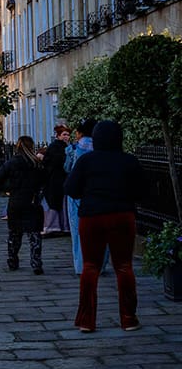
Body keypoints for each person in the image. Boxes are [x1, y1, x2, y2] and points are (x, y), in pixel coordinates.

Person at [65, 120, 149, 333]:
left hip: (92, 216)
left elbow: (71, 188)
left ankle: (87, 319)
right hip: (122, 214)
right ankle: (128, 318)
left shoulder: (87, 161)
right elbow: (142, 192)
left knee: (90, 267)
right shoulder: (129, 161)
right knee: (124, 266)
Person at [0, 136, 47, 274]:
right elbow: (44, 181)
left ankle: (12, 260)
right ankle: (36, 263)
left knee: (15, 233)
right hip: (32, 201)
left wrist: (9, 187)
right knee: (34, 234)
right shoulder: (37, 164)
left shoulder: (12, 163)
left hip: (16, 201)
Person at [65, 118, 97, 275]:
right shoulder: (100, 148)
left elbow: (67, 169)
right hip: (96, 193)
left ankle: (81, 265)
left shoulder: (75, 149)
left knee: (78, 231)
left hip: (77, 195)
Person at [40, 124, 72, 236]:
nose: (66, 137)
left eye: (68, 135)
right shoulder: (56, 147)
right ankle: (54, 226)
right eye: (64, 134)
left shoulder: (67, 147)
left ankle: (61, 226)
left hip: (61, 179)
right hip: (54, 178)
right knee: (54, 201)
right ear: (58, 136)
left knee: (60, 201)